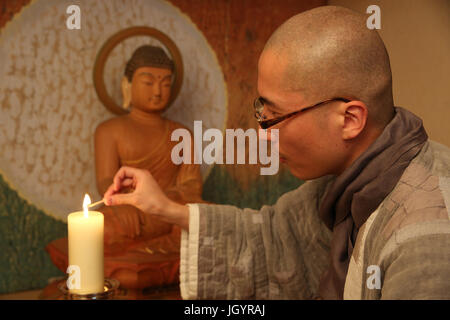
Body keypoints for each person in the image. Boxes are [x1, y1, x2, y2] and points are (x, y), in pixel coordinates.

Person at [102, 6, 450, 299]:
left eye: (275, 117)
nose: (262, 135)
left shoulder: (426, 235)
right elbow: (270, 239)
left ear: (349, 119)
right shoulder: (347, 180)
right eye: (261, 111)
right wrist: (162, 208)